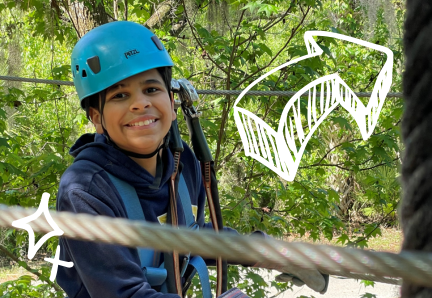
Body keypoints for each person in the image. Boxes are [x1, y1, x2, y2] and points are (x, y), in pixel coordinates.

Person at [55, 21, 328, 298]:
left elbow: (189, 236)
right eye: (120, 95)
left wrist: (268, 253)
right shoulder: (85, 191)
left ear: (172, 104)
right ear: (96, 118)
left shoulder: (181, 163)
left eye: (151, 89)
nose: (140, 104)